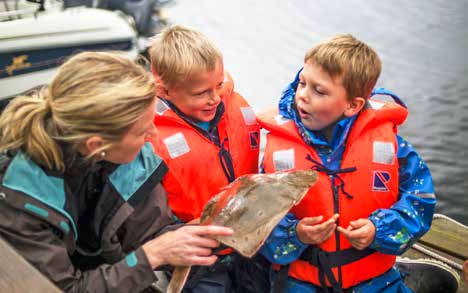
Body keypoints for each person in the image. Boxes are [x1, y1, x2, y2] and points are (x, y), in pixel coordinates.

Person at [0, 51, 233, 292]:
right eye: (143, 131)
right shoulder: (17, 203)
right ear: (96, 145)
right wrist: (152, 255)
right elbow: (64, 288)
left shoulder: (122, 154)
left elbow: (149, 231)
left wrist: (198, 234)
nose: (153, 135)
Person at [257, 34, 437, 292]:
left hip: (376, 282)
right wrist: (295, 233)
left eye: (319, 91)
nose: (303, 96)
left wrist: (379, 230)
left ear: (353, 105)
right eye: (302, 83)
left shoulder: (391, 146)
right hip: (299, 282)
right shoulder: (278, 150)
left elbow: (421, 199)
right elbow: (258, 215)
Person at [148, 25, 268, 292]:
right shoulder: (148, 137)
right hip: (198, 263)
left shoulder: (233, 105)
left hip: (250, 249)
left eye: (219, 85)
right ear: (164, 91)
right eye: (202, 93)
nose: (215, 98)